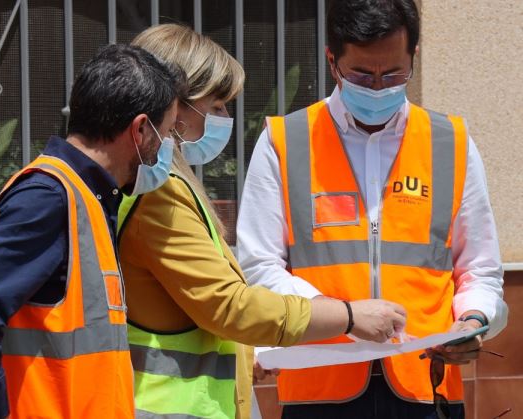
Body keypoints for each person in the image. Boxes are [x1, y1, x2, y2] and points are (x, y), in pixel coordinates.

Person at [118, 23, 407, 419]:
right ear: (175, 106)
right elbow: (229, 306)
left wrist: (245, 350)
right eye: (216, 106)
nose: (224, 118)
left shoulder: (167, 183)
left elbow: (199, 309)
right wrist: (350, 316)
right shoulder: (159, 192)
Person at [236, 0, 509, 418]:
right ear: (333, 61)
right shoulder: (284, 142)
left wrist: (473, 321)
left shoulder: (450, 142)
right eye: (363, 74)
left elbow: (478, 267)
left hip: (427, 384)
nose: (379, 87)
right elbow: (259, 266)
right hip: (319, 385)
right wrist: (344, 317)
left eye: (394, 73)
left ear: (413, 57)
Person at [0, 44, 185, 419]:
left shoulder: (88, 200)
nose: (166, 149)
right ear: (138, 130)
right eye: (164, 136)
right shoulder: (49, 197)